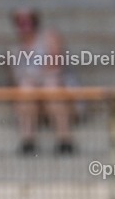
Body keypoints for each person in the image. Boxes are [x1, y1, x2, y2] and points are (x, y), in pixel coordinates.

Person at [10, 8, 75, 155]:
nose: (25, 25)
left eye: (28, 20)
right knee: (26, 88)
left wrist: (34, 79)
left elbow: (54, 67)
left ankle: (65, 139)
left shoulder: (50, 37)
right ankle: (28, 141)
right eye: (20, 22)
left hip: (59, 92)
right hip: (34, 99)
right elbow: (17, 81)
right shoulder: (14, 50)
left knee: (50, 86)